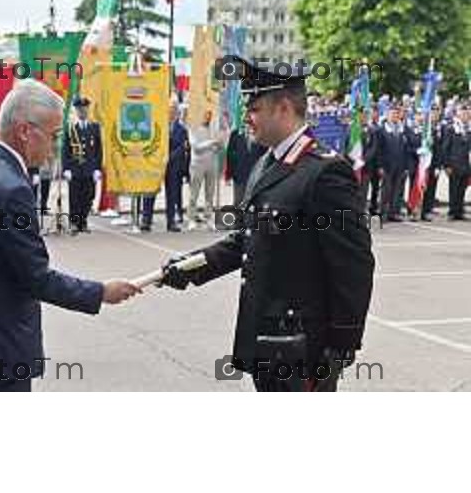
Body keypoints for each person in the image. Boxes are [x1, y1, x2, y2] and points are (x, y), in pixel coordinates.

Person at [159, 58, 375, 392]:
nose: (247, 117)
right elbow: (246, 240)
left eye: (255, 108)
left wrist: (341, 346)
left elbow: (354, 265)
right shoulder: (268, 162)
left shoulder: (325, 172)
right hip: (266, 338)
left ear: (284, 108)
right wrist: (190, 266)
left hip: (304, 347)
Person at [0, 80, 141, 392]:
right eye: (54, 135)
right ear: (25, 131)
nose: (56, 146)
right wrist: (100, 292)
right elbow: (36, 277)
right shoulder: (11, 188)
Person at [141, 100, 190, 232]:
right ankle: (146, 220)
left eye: (174, 109)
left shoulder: (182, 130)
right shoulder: (158, 126)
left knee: (172, 194)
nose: (172, 111)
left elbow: (182, 148)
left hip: (173, 165)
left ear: (177, 112)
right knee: (150, 191)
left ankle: (171, 221)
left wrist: (169, 157)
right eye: (169, 109)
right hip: (156, 164)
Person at [62, 97, 103, 234]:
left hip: (89, 169)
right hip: (75, 169)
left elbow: (98, 150)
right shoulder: (71, 128)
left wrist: (97, 168)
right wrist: (66, 168)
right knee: (74, 196)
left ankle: (83, 221)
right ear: (76, 110)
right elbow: (65, 150)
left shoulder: (94, 127)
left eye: (84, 109)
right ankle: (74, 222)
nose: (82, 111)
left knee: (88, 196)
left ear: (88, 109)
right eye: (79, 109)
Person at [187, 108, 224, 231]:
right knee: (194, 193)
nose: (208, 117)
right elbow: (196, 147)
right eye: (206, 114)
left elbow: (219, 147)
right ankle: (191, 218)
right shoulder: (193, 127)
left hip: (212, 163)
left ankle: (208, 218)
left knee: (210, 193)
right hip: (197, 164)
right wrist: (212, 142)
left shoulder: (213, 128)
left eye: (209, 114)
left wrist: (219, 145)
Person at [377, 104, 408, 222]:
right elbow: (378, 149)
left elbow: (406, 149)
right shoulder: (381, 130)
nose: (395, 116)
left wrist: (405, 166)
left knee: (397, 190)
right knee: (386, 190)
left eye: (396, 114)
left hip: (399, 165)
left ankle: (393, 213)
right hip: (386, 165)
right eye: (392, 113)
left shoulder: (402, 129)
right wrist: (380, 166)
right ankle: (382, 212)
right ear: (387, 115)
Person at [442, 104, 471, 221]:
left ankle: (459, 211)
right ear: (458, 114)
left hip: (466, 164)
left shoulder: (469, 129)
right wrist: (447, 165)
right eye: (463, 113)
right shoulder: (451, 128)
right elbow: (445, 148)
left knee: (462, 189)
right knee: (453, 189)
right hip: (454, 164)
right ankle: (452, 211)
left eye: (467, 113)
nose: (466, 115)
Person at [226, 126, 266, 207]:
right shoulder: (235, 134)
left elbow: (265, 154)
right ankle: (238, 219)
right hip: (239, 175)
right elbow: (230, 154)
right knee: (238, 202)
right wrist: (228, 174)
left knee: (253, 204)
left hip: (255, 176)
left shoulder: (261, 133)